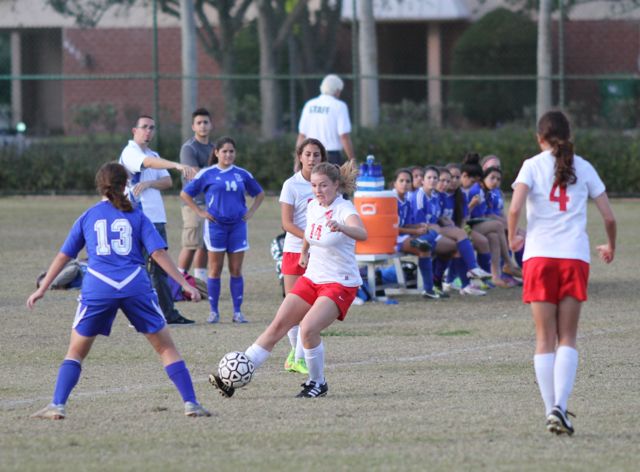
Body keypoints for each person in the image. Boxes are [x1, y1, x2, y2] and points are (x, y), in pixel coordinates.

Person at [27, 163, 210, 419]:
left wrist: (43, 288)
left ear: (100, 186)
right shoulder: (137, 215)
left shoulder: (88, 216)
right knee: (166, 348)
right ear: (125, 185)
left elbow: (64, 256)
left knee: (76, 352)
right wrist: (185, 284)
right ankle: (191, 403)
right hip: (135, 285)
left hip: (98, 286)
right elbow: (158, 253)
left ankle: (57, 405)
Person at [209, 161, 366, 398]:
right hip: (312, 277)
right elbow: (311, 230)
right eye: (314, 185)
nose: (318, 190)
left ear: (336, 185)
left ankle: (317, 382)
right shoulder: (313, 206)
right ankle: (232, 378)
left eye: (323, 185)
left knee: (308, 328)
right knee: (277, 326)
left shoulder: (345, 209)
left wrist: (343, 227)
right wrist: (304, 251)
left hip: (339, 282)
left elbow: (362, 233)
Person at [508, 110, 616, 436]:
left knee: (544, 338)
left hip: (539, 257)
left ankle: (550, 409)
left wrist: (513, 236)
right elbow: (609, 217)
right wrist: (610, 245)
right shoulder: (583, 167)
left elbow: (514, 208)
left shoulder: (531, 165)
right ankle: (561, 406)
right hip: (573, 257)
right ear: (569, 135)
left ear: (539, 138)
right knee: (567, 336)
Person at [119, 115, 197, 325]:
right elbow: (149, 164)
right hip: (138, 217)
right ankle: (138, 315)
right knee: (141, 268)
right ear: (134, 130)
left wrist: (149, 184)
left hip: (156, 217)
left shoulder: (153, 153)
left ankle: (168, 313)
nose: (148, 131)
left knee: (160, 269)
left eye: (152, 128)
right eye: (144, 127)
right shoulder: (130, 152)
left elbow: (166, 181)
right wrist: (176, 165)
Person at [181, 136, 265, 324]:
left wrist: (250, 212)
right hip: (215, 227)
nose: (228, 154)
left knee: (236, 269)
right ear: (216, 153)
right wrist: (199, 211)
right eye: (224, 151)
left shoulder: (242, 174)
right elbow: (185, 193)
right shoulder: (207, 173)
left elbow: (259, 193)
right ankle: (214, 311)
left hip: (237, 227)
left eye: (231, 151)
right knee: (215, 269)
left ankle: (237, 312)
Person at [280, 138, 327, 374]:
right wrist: (308, 239)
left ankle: (297, 357)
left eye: (316, 155)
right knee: (293, 307)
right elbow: (286, 223)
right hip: (294, 250)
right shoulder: (291, 185)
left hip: (319, 253)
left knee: (310, 309)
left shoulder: (326, 185)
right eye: (307, 154)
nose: (311, 159)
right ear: (300, 157)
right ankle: (295, 355)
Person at [177, 108, 214, 282]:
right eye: (199, 123)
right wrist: (215, 174)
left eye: (206, 122)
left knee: (205, 244)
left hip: (211, 202)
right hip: (193, 202)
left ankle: (200, 280)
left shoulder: (215, 148)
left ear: (211, 125)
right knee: (191, 243)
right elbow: (194, 174)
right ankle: (177, 280)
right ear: (193, 126)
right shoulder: (189, 148)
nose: (203, 126)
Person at [392, 168, 438, 299]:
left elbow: (405, 224)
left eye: (408, 181)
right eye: (401, 180)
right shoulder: (390, 200)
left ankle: (429, 289)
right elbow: (392, 228)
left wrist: (419, 226)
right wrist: (415, 231)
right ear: (394, 183)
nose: (405, 183)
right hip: (391, 239)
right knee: (426, 247)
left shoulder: (406, 201)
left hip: (403, 236)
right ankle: (430, 288)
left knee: (430, 237)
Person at [297, 74, 355, 166]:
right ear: (337, 91)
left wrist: (297, 162)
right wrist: (352, 160)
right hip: (331, 156)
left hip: (310, 155)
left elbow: (301, 136)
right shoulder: (339, 106)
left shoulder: (309, 105)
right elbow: (344, 136)